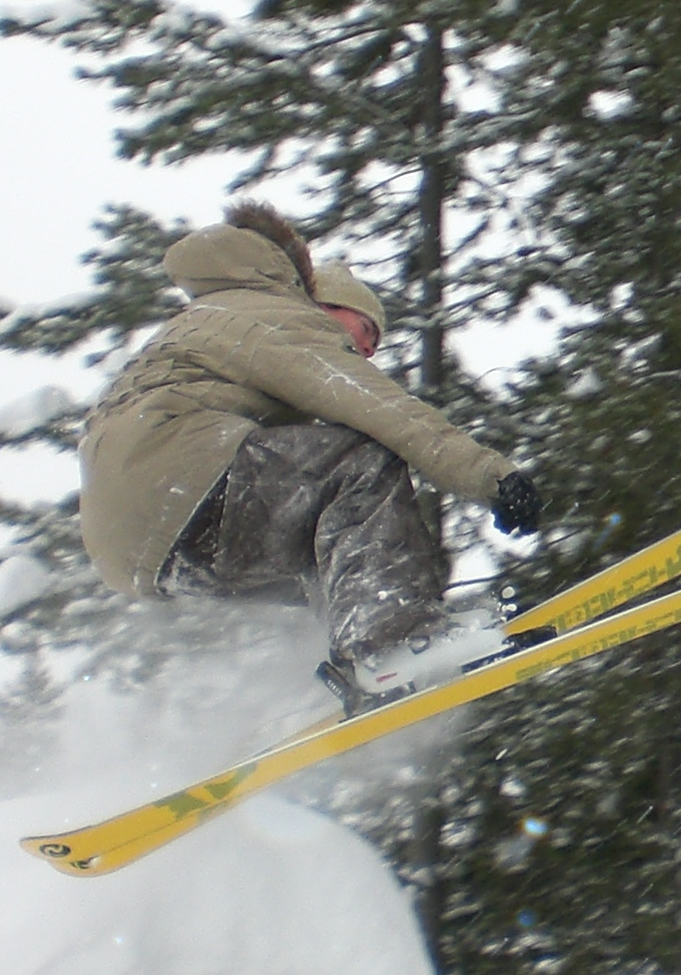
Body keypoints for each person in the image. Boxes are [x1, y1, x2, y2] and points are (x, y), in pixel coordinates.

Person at [78, 202, 541, 699]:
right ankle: (392, 644)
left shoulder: (212, 314)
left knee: (325, 545)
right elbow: (382, 409)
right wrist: (490, 477)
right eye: (363, 334)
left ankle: (376, 653)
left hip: (137, 546)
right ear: (324, 304)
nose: (364, 354)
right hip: (179, 472)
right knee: (362, 462)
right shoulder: (277, 315)